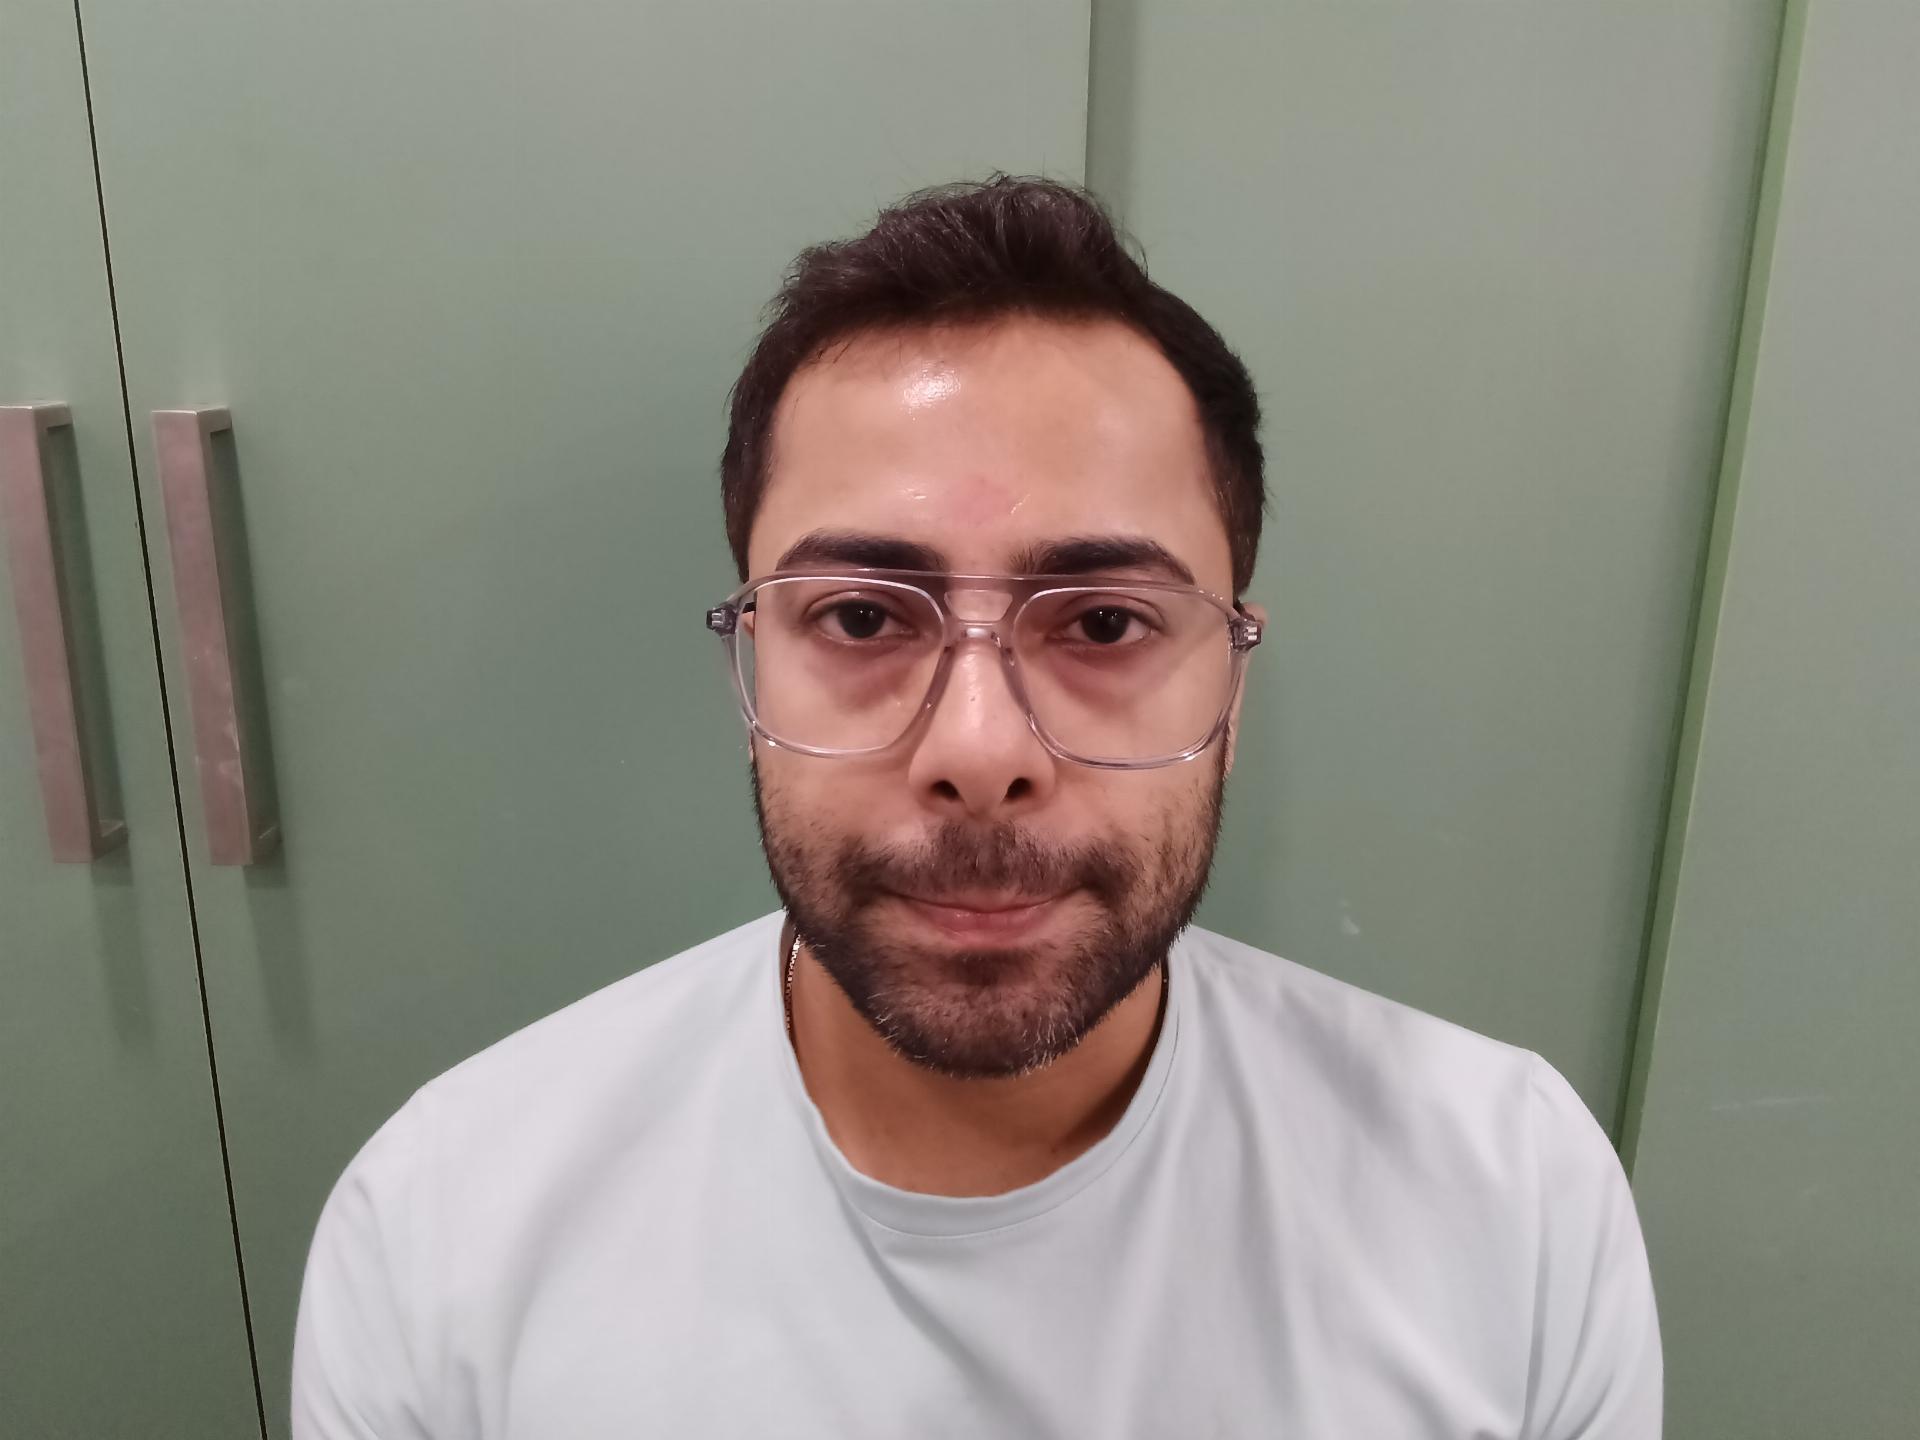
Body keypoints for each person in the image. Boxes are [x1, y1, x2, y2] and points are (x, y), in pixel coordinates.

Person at [292, 175, 1662, 1437]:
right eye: (862, 616)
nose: (980, 750)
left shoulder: (1509, 1203)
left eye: (1106, 621)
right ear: (751, 670)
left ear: (1232, 691)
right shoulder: (443, 1240)